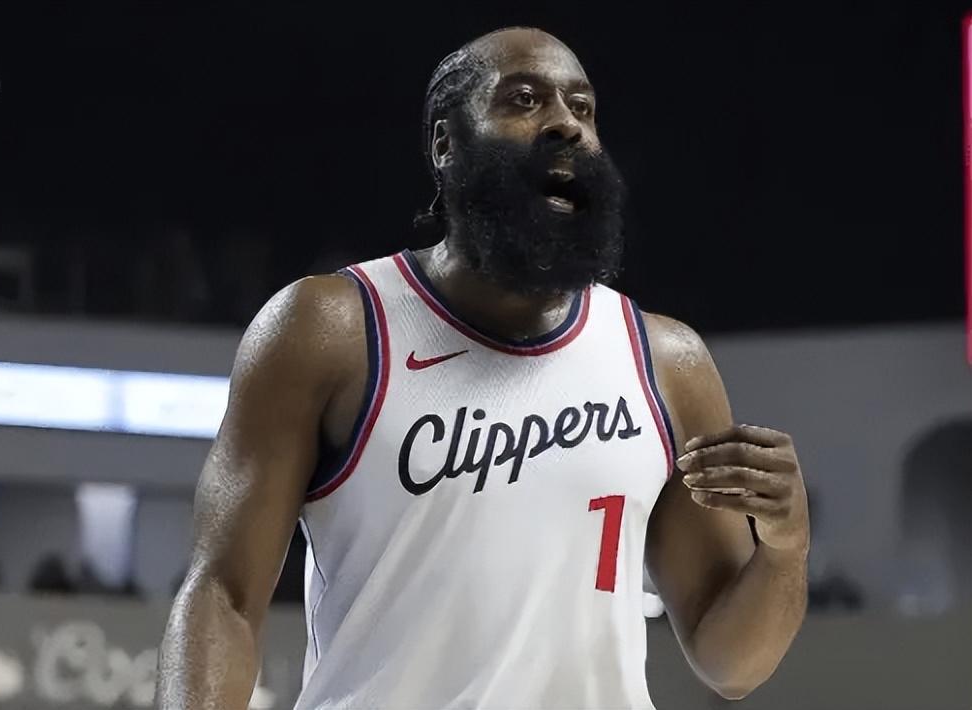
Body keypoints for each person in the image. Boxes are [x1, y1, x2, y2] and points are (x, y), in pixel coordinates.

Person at [156, 27, 809, 710]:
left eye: (583, 108)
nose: (566, 123)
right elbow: (223, 597)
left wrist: (787, 546)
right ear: (446, 143)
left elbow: (731, 662)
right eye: (524, 99)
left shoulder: (668, 363)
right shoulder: (328, 329)